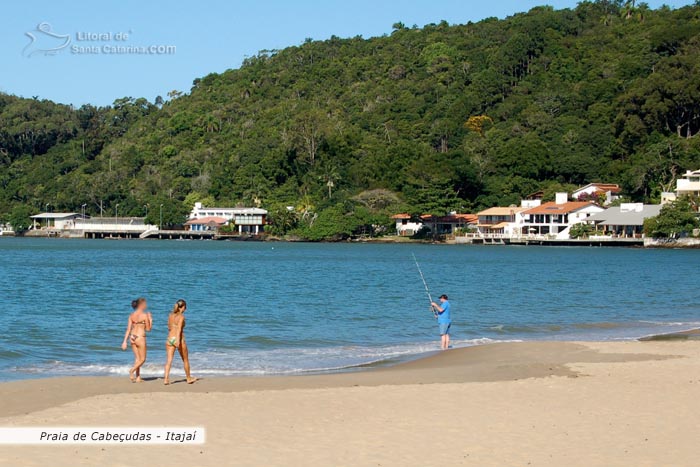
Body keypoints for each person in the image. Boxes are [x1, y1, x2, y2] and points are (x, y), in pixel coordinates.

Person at [163, 299, 197, 385]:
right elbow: (179, 329)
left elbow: (169, 327)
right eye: (185, 308)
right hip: (179, 339)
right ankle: (188, 378)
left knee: (169, 360)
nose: (185, 310)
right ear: (183, 307)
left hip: (170, 338)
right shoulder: (181, 317)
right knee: (185, 359)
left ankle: (166, 379)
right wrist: (178, 340)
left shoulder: (170, 315)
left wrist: (173, 338)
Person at [121, 298, 153, 382]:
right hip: (140, 337)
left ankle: (138, 377)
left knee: (137, 358)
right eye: (145, 304)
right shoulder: (144, 315)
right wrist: (150, 319)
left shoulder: (131, 315)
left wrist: (124, 341)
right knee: (142, 359)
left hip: (132, 337)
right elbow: (148, 329)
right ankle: (132, 370)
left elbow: (128, 329)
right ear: (141, 305)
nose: (146, 305)